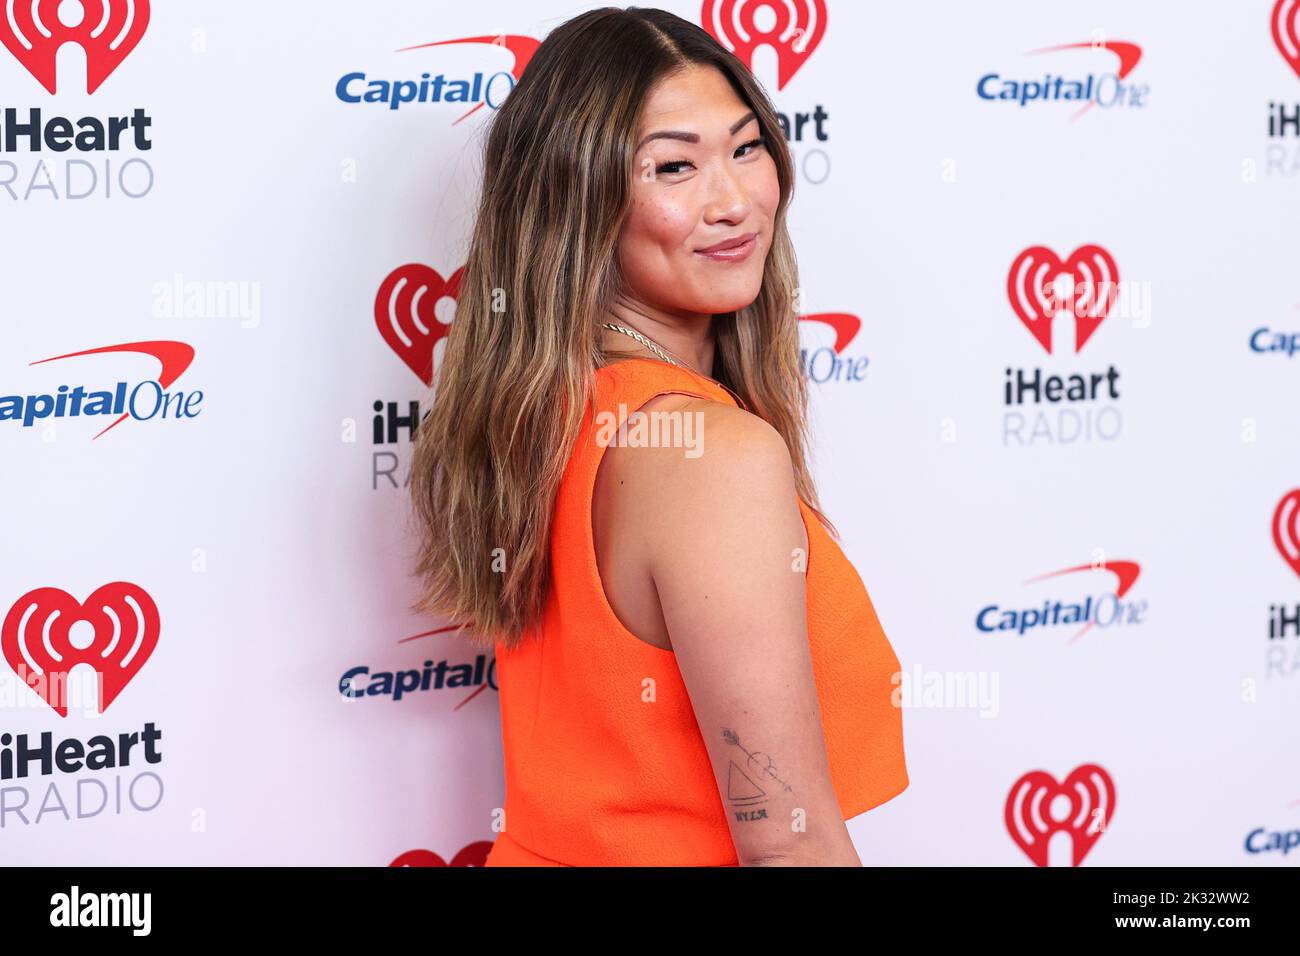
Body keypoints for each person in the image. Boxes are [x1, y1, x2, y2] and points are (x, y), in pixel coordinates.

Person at [408, 6, 907, 867]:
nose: (735, 201)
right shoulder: (709, 455)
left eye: (748, 148)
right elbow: (788, 847)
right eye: (673, 166)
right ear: (578, 198)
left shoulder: (538, 412)